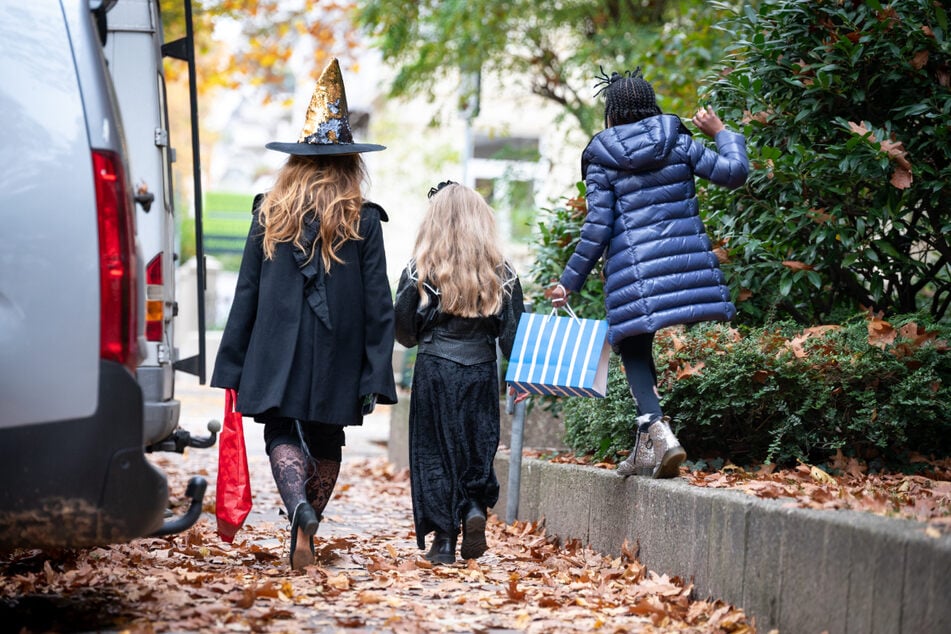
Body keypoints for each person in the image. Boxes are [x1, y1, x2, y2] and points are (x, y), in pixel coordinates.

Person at [211, 58, 398, 570]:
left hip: (277, 344)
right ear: (349, 162)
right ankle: (306, 523)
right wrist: (376, 369)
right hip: (338, 345)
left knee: (280, 430)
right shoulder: (362, 218)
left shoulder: (268, 211)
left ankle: (297, 508)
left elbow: (246, 293)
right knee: (325, 435)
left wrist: (232, 363)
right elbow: (379, 300)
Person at [550, 68, 749, 479]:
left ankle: (658, 428)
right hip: (683, 267)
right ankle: (646, 450)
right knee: (634, 346)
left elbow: (597, 227)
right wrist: (721, 131)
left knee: (634, 347)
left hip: (633, 274)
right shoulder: (678, 142)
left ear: (611, 112)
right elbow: (734, 173)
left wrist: (568, 282)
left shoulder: (602, 157)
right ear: (650, 103)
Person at [394, 182, 525, 565]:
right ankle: (473, 507)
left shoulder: (420, 269)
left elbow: (404, 333)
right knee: (475, 446)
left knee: (435, 452)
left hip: (435, 367)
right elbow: (512, 336)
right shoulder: (501, 272)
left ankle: (444, 542)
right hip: (481, 369)